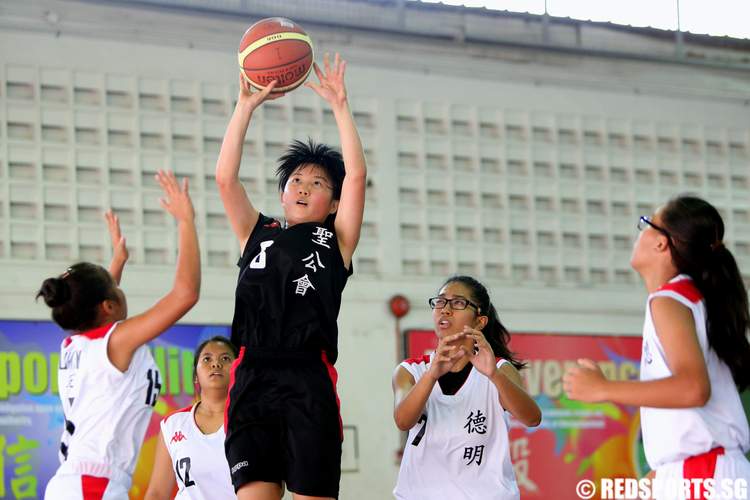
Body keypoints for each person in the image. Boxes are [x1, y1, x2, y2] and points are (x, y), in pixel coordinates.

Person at [215, 52, 366, 500]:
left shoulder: (335, 239)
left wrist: (340, 106)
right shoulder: (256, 232)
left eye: (318, 183)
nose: (303, 186)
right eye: (296, 180)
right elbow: (225, 179)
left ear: (333, 203)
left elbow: (356, 175)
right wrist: (244, 107)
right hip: (253, 375)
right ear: (282, 194)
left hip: (307, 378)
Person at [563, 195, 750, 499]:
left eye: (645, 224)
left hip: (703, 476)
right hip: (700, 476)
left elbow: (693, 389)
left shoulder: (669, 301)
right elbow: (691, 430)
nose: (640, 233)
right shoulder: (688, 300)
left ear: (662, 243)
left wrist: (602, 389)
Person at [40, 171, 200, 500]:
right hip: (92, 486)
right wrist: (186, 221)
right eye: (115, 287)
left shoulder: (78, 343)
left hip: (78, 482)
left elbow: (94, 306)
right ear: (108, 305)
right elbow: (185, 294)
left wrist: (117, 262)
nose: (119, 288)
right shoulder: (116, 342)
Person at [392, 275, 542, 500]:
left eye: (458, 303)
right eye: (441, 302)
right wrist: (432, 375)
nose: (445, 309)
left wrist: (494, 375)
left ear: (479, 321)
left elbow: (532, 418)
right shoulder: (410, 370)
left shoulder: (499, 369)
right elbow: (403, 421)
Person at [145, 336, 238, 500]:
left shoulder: (252, 422)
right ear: (196, 375)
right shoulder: (172, 424)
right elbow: (157, 493)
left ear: (238, 370)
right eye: (207, 359)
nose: (216, 364)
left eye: (225, 358)